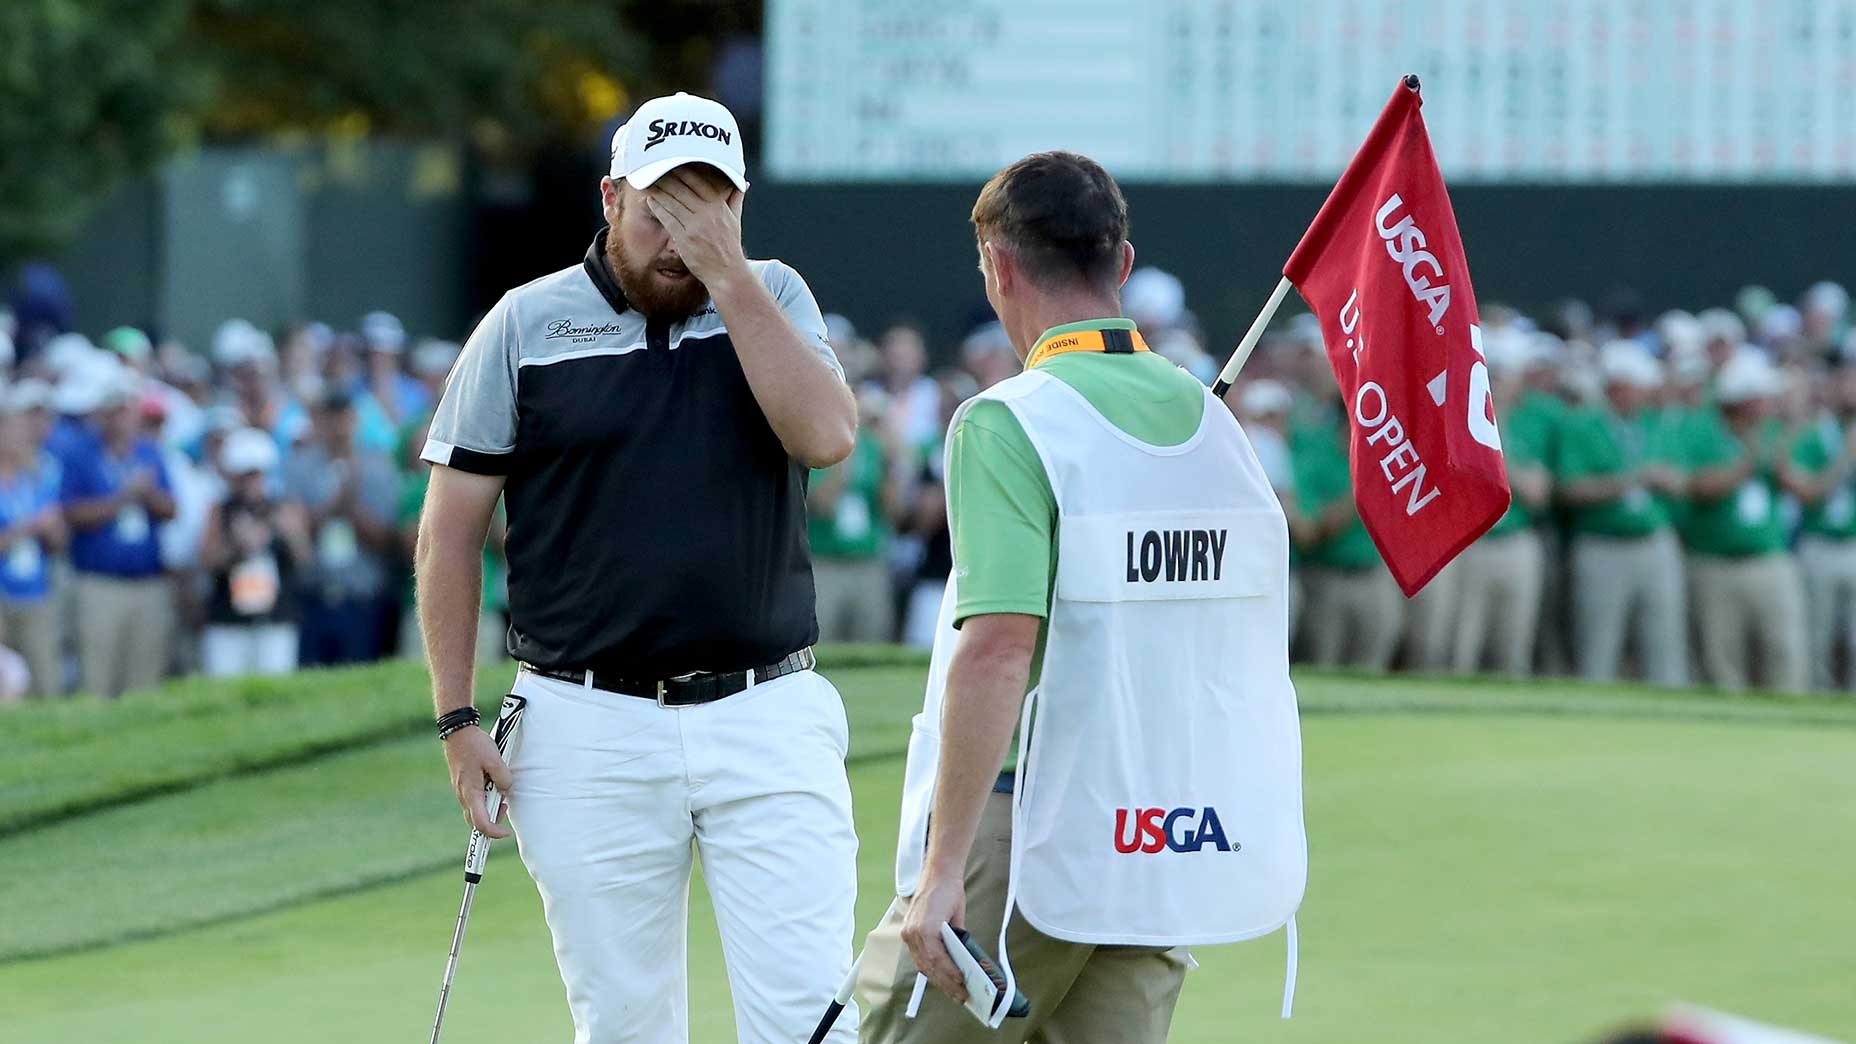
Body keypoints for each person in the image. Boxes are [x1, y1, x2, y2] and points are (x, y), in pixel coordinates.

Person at [418, 92, 860, 1044]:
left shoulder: (771, 295)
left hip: (767, 709)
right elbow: (450, 530)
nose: (682, 236)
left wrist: (729, 277)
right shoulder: (524, 325)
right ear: (611, 197)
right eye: (663, 206)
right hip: (583, 721)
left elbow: (825, 437)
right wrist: (456, 717)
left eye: (710, 208)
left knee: (811, 1017)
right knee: (623, 1025)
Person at [856, 151, 1304, 1044]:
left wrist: (942, 871)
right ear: (1124, 266)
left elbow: (996, 648)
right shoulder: (1214, 421)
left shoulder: (1008, 418)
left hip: (1029, 828)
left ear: (999, 266)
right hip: (1160, 829)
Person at [1555, 342, 1688, 686]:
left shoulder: (1656, 423)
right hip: (1603, 545)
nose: (1646, 392)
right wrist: (1631, 480)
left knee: (1666, 645)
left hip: (1654, 541)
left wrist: (1669, 481)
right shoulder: (1582, 425)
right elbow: (1570, 489)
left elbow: (1680, 479)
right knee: (1599, 645)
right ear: (1617, 387)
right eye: (1638, 385)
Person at [1681, 352, 1807, 691]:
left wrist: (1784, 443)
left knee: (1785, 650)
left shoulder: (1772, 434)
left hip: (1769, 557)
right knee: (1721, 659)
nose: (1769, 404)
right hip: (1715, 561)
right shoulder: (1704, 432)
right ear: (1742, 401)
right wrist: (1747, 460)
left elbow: (1799, 487)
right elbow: (1701, 487)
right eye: (1762, 397)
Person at [61, 370, 176, 698]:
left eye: (124, 409)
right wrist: (122, 498)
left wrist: (147, 495)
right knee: (97, 677)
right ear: (100, 414)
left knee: (144, 677)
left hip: (147, 581)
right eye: (112, 410)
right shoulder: (81, 455)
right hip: (99, 583)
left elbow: (171, 510)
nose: (119, 418)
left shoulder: (149, 453)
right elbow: (73, 513)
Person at [1450, 334, 1552, 675]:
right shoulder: (1455, 418)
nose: (1495, 385)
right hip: (1470, 543)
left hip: (1516, 541)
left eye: (1501, 376)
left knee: (1513, 647)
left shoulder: (1529, 422)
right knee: (1461, 646)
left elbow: (1537, 492)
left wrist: (1495, 439)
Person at [284, 390, 400, 666]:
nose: (338, 426)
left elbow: (389, 540)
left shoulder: (377, 467)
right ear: (320, 420)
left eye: (344, 417)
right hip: (313, 594)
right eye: (330, 417)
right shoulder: (300, 466)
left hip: (361, 595)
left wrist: (352, 509)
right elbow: (292, 529)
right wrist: (332, 507)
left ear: (355, 420)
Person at [199, 428, 309, 677]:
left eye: (256, 474)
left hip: (275, 619)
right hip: (228, 620)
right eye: (245, 475)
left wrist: (287, 532)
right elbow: (207, 561)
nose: (251, 482)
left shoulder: (284, 508)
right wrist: (237, 546)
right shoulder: (220, 511)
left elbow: (303, 558)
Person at [1783, 362, 1856, 690]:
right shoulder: (1813, 435)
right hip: (1820, 544)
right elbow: (1807, 492)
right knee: (1818, 637)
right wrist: (1845, 458)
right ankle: (1817, 706)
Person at [809, 384, 900, 643]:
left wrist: (891, 461)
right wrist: (845, 455)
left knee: (872, 637)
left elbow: (893, 512)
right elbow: (823, 504)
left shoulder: (874, 447)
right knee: (824, 639)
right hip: (827, 561)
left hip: (867, 560)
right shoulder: (817, 443)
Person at [0, 385, 67, 696]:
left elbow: (57, 542)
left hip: (36, 592)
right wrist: (29, 528)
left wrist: (54, 531)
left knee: (45, 682)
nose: (15, 438)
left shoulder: (38, 476)